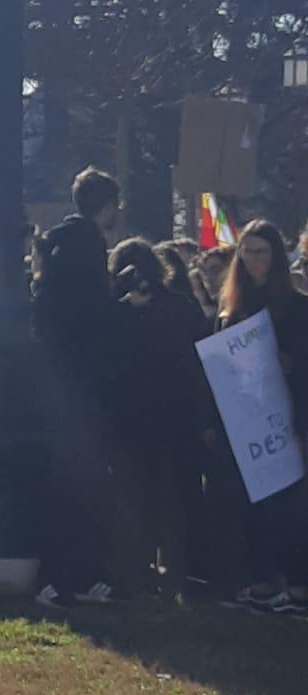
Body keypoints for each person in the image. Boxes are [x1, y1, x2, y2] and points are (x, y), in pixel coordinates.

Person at [33, 168, 122, 607]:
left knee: (66, 480)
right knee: (77, 482)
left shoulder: (58, 244)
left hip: (58, 379)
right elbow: (93, 316)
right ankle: (67, 576)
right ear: (107, 206)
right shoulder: (87, 246)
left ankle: (66, 575)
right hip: (79, 383)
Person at [211, 220, 308, 610]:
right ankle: (263, 580)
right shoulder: (231, 309)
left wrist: (289, 365)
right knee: (252, 503)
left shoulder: (297, 307)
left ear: (276, 257)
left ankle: (297, 584)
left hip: (288, 418)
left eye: (261, 252)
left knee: (291, 504)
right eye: (246, 252)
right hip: (246, 423)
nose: (252, 260)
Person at [107, 239, 210, 599]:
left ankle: (135, 570)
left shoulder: (116, 313)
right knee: (175, 498)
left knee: (133, 497)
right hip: (177, 414)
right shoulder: (182, 307)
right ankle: (178, 569)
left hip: (130, 417)